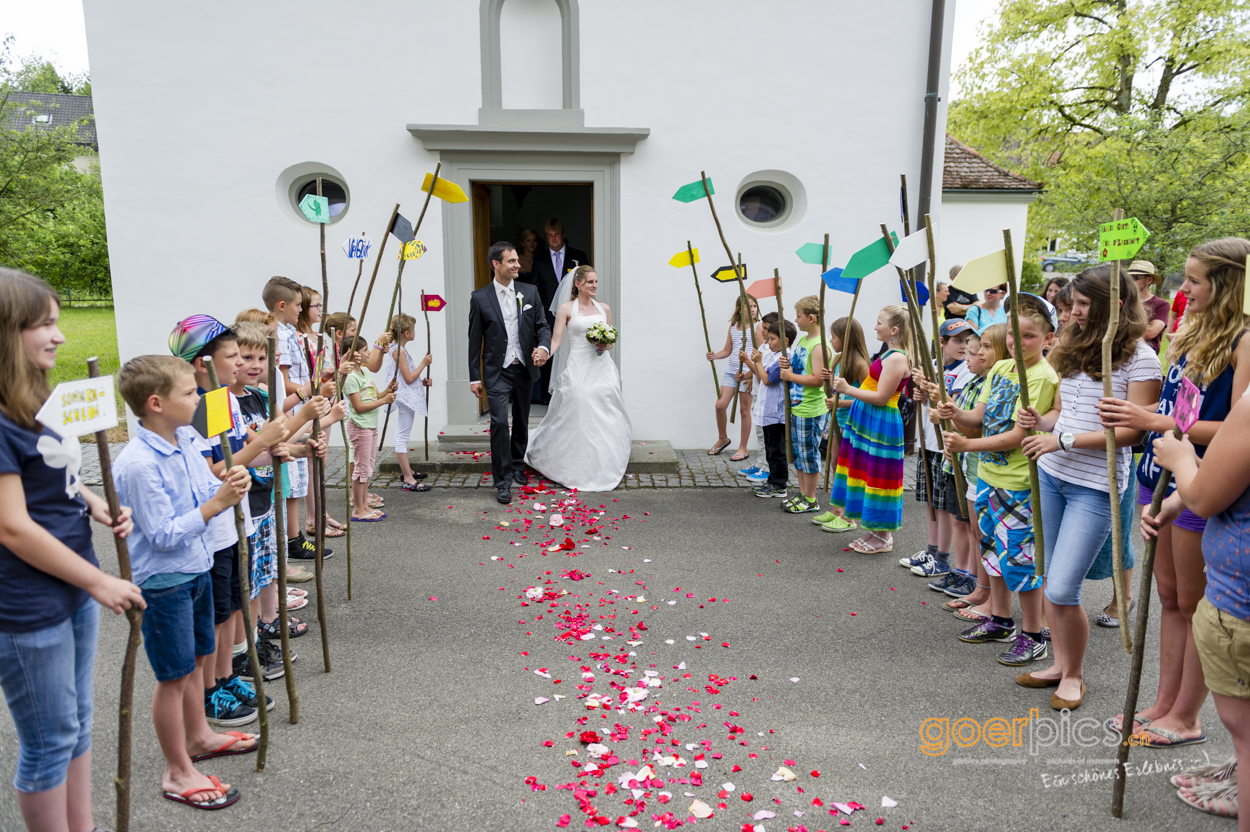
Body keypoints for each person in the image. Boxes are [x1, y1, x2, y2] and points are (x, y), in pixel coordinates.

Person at [0, 269, 145, 832]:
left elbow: (53, 475)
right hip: (29, 605)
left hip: (72, 587)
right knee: (49, 738)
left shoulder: (34, 399)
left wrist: (91, 501)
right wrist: (97, 580)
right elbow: (12, 527)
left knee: (78, 723)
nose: (59, 337)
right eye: (46, 325)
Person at [1102, 237, 1250, 748]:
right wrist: (1156, 425)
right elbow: (1181, 407)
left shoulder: (1244, 342)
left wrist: (1151, 419)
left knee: (1193, 603)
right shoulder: (1190, 330)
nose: (1181, 288)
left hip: (1201, 481)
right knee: (1167, 597)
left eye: (1194, 280)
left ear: (1228, 285)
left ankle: (1186, 716)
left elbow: (1237, 427)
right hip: (1157, 472)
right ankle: (1162, 704)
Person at [1013, 266, 1160, 710]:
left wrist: (1064, 439)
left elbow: (1133, 435)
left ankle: (1075, 675)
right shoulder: (1073, 347)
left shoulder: (1141, 358)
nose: (1072, 313)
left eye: (1080, 305)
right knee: (1050, 575)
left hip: (1095, 487)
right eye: (1070, 305)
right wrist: (1040, 424)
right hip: (1052, 474)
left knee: (1061, 588)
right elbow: (1063, 411)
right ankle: (1060, 664)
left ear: (1112, 305)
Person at [113, 354, 254, 810]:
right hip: (164, 582)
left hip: (197, 566)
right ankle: (176, 770)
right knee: (173, 675)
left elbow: (203, 492)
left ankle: (198, 736)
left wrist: (231, 480)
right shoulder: (138, 463)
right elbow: (162, 533)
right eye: (189, 392)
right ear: (156, 403)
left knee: (197, 660)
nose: (198, 398)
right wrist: (217, 504)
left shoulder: (186, 439)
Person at [939, 294, 1059, 668]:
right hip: (990, 477)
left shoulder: (1042, 377)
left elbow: (1016, 436)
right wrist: (955, 411)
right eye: (1013, 334)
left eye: (1028, 336)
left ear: (1048, 339)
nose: (1017, 342)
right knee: (993, 553)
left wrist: (966, 445)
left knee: (1020, 559)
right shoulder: (1001, 370)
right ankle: (1001, 620)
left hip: (1019, 482)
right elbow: (981, 414)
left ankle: (1034, 634)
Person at [1152, 393, 1250, 821]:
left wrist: (1181, 459)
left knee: (1245, 733)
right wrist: (1178, 498)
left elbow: (1207, 498)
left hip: (1240, 601)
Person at [525, 265, 632, 492]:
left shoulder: (604, 308)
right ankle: (574, 465)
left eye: (595, 282)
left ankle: (604, 462)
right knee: (581, 406)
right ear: (578, 284)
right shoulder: (566, 309)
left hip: (602, 367)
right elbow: (555, 341)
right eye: (590, 282)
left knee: (606, 410)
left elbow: (612, 342)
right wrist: (544, 353)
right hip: (578, 367)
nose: (594, 286)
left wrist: (606, 344)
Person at [468, 241, 553, 504]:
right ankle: (502, 481)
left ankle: (518, 463)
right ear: (497, 264)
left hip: (524, 368)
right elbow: (474, 339)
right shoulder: (480, 298)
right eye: (512, 261)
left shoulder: (530, 291)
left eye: (517, 260)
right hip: (497, 371)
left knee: (522, 419)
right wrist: (474, 376)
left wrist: (543, 347)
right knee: (499, 424)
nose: (518, 265)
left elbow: (542, 326)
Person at [830, 305, 914, 553]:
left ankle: (884, 536)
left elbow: (880, 397)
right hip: (869, 419)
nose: (875, 326)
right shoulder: (889, 354)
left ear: (894, 330)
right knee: (867, 474)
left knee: (880, 477)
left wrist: (846, 389)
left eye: (880, 322)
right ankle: (874, 530)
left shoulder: (898, 358)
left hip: (881, 423)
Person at [263, 276, 332, 563]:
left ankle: (296, 536)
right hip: (291, 412)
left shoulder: (291, 334)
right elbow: (284, 383)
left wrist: (318, 381)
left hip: (298, 408)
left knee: (297, 478)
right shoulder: (276, 335)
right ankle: (291, 541)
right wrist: (308, 392)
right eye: (298, 305)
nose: (301, 311)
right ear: (282, 306)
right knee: (289, 481)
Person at [944, 324, 1010, 622]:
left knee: (995, 539)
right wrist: (948, 408)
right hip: (980, 465)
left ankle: (996, 604)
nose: (978, 353)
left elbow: (980, 426)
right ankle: (983, 590)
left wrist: (962, 437)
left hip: (997, 468)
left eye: (984, 347)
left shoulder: (1003, 381)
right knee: (981, 534)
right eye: (976, 348)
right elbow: (970, 419)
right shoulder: (983, 381)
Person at [906, 319, 976, 583]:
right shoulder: (932, 366)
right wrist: (920, 394)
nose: (963, 346)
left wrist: (933, 393)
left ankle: (943, 558)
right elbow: (926, 404)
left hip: (947, 444)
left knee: (946, 506)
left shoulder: (966, 371)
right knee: (932, 502)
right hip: (929, 441)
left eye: (967, 341)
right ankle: (932, 550)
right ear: (942, 342)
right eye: (958, 340)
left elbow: (953, 407)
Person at [814, 316, 870, 532]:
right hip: (838, 421)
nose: (830, 340)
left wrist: (840, 402)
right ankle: (837, 509)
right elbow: (837, 387)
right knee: (836, 463)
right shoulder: (837, 359)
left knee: (850, 469)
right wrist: (828, 379)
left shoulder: (860, 364)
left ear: (846, 339)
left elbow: (867, 396)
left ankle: (849, 516)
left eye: (834, 336)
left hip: (852, 423)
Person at [525, 219, 589, 403]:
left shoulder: (579, 256)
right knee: (550, 353)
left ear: (563, 234)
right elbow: (534, 290)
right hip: (547, 316)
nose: (553, 238)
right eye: (550, 235)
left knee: (573, 352)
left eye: (557, 234)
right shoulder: (540, 260)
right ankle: (549, 396)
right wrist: (535, 320)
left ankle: (572, 395)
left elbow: (586, 285)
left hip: (575, 314)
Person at [778, 296, 831, 515]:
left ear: (811, 317)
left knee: (809, 454)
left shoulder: (819, 346)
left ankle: (810, 498)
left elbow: (818, 379)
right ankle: (802, 493)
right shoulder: (804, 341)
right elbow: (800, 368)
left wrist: (790, 375)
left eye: (799, 316)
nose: (796, 320)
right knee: (800, 454)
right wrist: (787, 365)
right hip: (798, 407)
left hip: (811, 408)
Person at [740, 319, 796, 499]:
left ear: (785, 341)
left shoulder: (783, 359)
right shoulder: (772, 355)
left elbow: (767, 379)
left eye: (772, 339)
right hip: (767, 411)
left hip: (776, 412)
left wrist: (756, 362)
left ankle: (779, 484)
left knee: (776, 450)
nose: (768, 342)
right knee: (771, 449)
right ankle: (772, 481)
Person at [342, 335, 396, 520]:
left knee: (367, 468)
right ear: (354, 354)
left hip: (371, 426)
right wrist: (383, 401)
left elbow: (375, 396)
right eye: (365, 350)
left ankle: (364, 505)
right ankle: (358, 510)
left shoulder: (366, 373)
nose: (368, 353)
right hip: (360, 426)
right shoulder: (350, 377)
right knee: (360, 468)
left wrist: (387, 391)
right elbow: (358, 407)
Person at [380, 314, 434, 492]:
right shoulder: (398, 351)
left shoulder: (399, 349)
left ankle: (408, 471)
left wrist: (422, 381)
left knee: (404, 434)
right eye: (413, 330)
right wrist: (423, 363)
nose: (414, 332)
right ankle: (408, 478)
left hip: (406, 395)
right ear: (405, 333)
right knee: (401, 436)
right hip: (404, 398)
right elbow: (409, 378)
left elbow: (409, 377)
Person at [706, 297, 759, 458]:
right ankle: (723, 438)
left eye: (755, 306)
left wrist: (751, 375)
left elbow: (761, 352)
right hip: (731, 372)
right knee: (720, 405)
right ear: (738, 309)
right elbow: (727, 350)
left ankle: (743, 448)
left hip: (747, 374)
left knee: (744, 410)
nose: (753, 309)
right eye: (748, 306)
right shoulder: (734, 327)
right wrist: (715, 355)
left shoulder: (758, 327)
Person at [740, 311, 778, 484]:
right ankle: (760, 463)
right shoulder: (763, 346)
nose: (762, 331)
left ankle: (767, 468)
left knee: (766, 436)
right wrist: (745, 377)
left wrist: (748, 360)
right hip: (758, 393)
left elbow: (762, 372)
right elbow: (755, 372)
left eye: (766, 328)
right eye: (762, 327)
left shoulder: (770, 349)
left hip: (766, 396)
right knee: (760, 434)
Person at [1128, 260, 1170, 353]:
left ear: (1149, 280)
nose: (1130, 281)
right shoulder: (1123, 301)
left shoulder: (1162, 304)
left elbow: (1150, 332)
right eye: (1128, 278)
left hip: (1146, 359)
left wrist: (1121, 328)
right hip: (1121, 357)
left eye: (1135, 277)